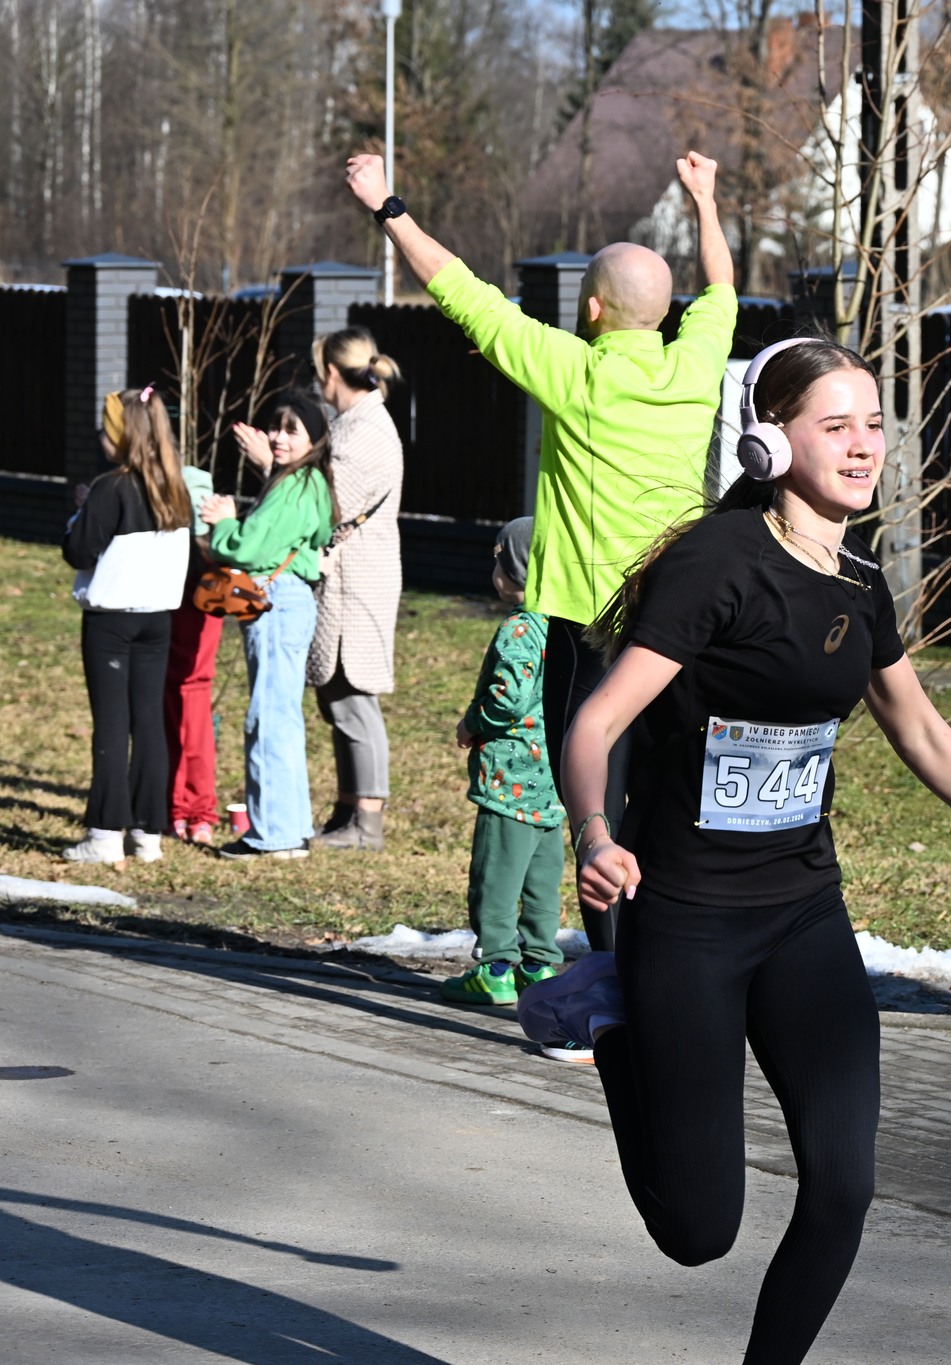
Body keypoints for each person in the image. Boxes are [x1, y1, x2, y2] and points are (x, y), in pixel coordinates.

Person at [526, 339, 951, 1365]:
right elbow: (591, 726)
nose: (862, 444)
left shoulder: (857, 583)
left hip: (800, 914)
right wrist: (595, 837)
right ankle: (614, 1032)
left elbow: (915, 725)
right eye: (833, 424)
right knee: (698, 1234)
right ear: (767, 439)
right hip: (687, 920)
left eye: (872, 422)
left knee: (843, 1185)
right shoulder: (715, 565)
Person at [341, 147, 736, 951]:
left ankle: (619, 992)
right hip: (683, 630)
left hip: (590, 632)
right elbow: (722, 286)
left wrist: (388, 206)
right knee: (668, 808)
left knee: (595, 816)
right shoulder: (698, 365)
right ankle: (677, 973)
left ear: (590, 311)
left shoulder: (576, 373)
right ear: (665, 314)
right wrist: (704, 200)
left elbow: (463, 293)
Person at [440, 516, 574, 1030]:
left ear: (519, 566)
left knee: (495, 877)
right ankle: (540, 965)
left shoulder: (520, 628)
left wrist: (474, 723)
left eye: (499, 558)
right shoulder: (564, 623)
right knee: (543, 879)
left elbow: (509, 696)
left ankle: (495, 966)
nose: (493, 567)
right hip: (552, 777)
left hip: (510, 780)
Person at [200, 393, 338, 862]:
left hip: (275, 604)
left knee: (268, 718)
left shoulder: (297, 484)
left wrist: (223, 523)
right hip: (286, 604)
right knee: (281, 716)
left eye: (291, 429)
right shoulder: (308, 482)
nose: (278, 437)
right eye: (275, 427)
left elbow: (245, 549)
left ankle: (273, 834)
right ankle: (290, 828)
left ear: (314, 439)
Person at [61, 388, 196, 865]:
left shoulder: (110, 487)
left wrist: (80, 511)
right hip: (158, 619)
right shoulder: (176, 488)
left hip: (111, 621)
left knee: (112, 727)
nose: (100, 436)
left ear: (121, 435)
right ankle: (147, 834)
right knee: (149, 724)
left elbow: (79, 551)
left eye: (106, 427)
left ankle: (103, 834)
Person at [306, 326, 406, 852]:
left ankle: (366, 821)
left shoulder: (361, 431)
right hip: (353, 576)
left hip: (356, 580)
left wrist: (272, 467)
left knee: (353, 697)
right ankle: (349, 808)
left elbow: (328, 506)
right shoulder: (357, 422)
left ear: (329, 372)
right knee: (338, 695)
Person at [164, 455, 221, 846]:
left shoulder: (185, 566)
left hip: (179, 675)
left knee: (177, 714)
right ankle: (195, 812)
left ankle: (184, 809)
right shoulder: (213, 566)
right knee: (193, 715)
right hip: (192, 679)